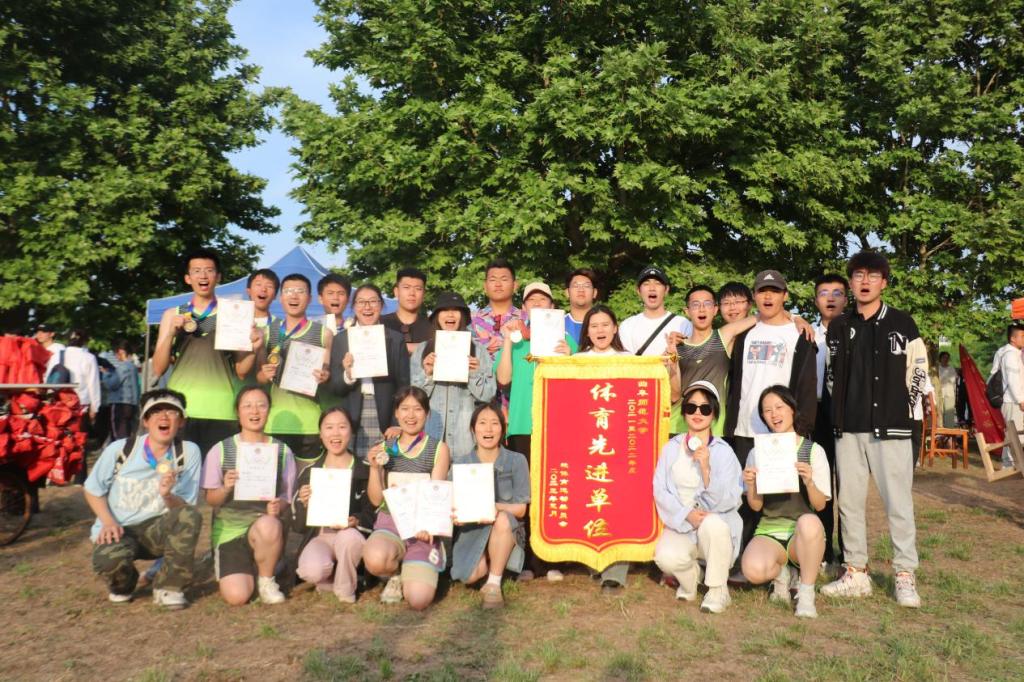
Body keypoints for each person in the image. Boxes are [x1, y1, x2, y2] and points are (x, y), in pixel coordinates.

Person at [822, 251, 926, 608]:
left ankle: (905, 574)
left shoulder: (902, 323)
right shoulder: (839, 326)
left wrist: (905, 415)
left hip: (892, 429)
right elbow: (832, 376)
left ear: (884, 282)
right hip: (848, 429)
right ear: (851, 282)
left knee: (898, 503)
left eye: (872, 275)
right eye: (858, 275)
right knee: (850, 503)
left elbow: (918, 372)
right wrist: (842, 413)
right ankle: (856, 571)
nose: (865, 282)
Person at [85, 389, 202, 609]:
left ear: (181, 422)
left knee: (189, 516)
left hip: (156, 530)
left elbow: (186, 507)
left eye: (172, 412)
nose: (164, 416)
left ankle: (169, 587)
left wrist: (167, 495)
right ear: (145, 421)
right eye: (156, 411)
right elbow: (93, 490)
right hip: (119, 528)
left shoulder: (188, 452)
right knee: (110, 564)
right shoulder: (121, 449)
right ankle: (125, 583)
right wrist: (108, 522)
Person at [494, 282, 576, 582]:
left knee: (553, 491)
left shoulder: (566, 339)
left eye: (543, 299)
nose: (538, 304)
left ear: (552, 306)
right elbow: (503, 380)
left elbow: (578, 382)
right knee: (524, 493)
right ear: (524, 308)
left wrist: (569, 356)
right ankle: (526, 562)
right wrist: (506, 341)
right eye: (531, 300)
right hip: (521, 426)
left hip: (556, 425)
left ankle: (553, 559)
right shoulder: (515, 340)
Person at [152, 249, 253, 456]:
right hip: (181, 410)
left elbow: (242, 371)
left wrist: (254, 346)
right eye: (197, 271)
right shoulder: (172, 315)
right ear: (188, 278)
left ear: (218, 277)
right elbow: (158, 368)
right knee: (178, 473)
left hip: (222, 410)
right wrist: (170, 333)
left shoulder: (233, 314)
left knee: (218, 475)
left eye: (209, 270)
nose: (203, 276)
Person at [741, 386, 830, 618]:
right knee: (752, 570)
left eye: (779, 407)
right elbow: (756, 506)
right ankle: (782, 575)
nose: (774, 414)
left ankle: (806, 593)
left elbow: (820, 505)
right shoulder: (757, 453)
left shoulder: (813, 451)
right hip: (770, 530)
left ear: (792, 409)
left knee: (809, 522)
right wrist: (751, 485)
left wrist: (809, 482)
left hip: (803, 533)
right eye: (767, 410)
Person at [203, 386, 297, 606]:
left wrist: (279, 507)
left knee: (269, 524)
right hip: (229, 532)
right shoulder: (221, 449)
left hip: (263, 528)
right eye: (247, 406)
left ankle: (266, 580)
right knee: (238, 597)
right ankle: (253, 564)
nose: (255, 411)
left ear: (269, 410)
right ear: (238, 411)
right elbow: (211, 500)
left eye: (261, 405)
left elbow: (287, 496)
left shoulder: (282, 451)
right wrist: (225, 488)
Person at [654, 381, 742, 613]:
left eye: (705, 408)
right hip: (682, 523)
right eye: (691, 407)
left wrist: (705, 468)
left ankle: (718, 590)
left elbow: (730, 499)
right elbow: (660, 489)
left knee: (713, 524)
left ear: (714, 414)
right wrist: (686, 514)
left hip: (715, 527)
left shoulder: (724, 452)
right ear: (683, 412)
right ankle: (691, 579)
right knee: (665, 557)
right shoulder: (671, 448)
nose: (697, 413)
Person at [362, 387, 451, 610]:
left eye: (417, 409)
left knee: (418, 599)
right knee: (375, 558)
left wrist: (428, 526)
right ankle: (394, 574)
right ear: (396, 413)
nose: (411, 415)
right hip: (391, 523)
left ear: (427, 414)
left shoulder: (438, 449)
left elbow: (436, 496)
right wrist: (374, 469)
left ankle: (421, 565)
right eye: (405, 409)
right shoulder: (385, 449)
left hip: (422, 528)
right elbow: (376, 501)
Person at [725, 270, 817, 465]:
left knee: (782, 485)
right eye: (762, 291)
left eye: (774, 291)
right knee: (746, 484)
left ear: (785, 295)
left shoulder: (800, 335)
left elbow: (807, 387)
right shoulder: (744, 333)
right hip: (744, 430)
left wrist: (800, 430)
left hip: (782, 431)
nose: (768, 296)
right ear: (754, 296)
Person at [451, 404, 530, 608]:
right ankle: (488, 560)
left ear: (502, 430)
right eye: (482, 423)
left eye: (495, 423)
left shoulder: (517, 461)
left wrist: (495, 507)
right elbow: (452, 506)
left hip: (507, 529)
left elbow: (521, 509)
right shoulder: (460, 464)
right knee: (469, 577)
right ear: (473, 429)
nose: (488, 429)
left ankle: (494, 583)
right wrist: (456, 516)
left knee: (503, 519)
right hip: (472, 531)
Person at [293, 407, 375, 603]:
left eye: (342, 427)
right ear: (321, 434)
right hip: (322, 536)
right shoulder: (310, 472)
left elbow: (373, 511)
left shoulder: (365, 470)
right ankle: (329, 578)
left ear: (351, 431)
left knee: (349, 539)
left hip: (350, 535)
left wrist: (356, 521)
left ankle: (345, 589)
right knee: (311, 570)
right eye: (329, 427)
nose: (335, 434)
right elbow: (297, 526)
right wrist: (303, 503)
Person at [257, 273, 332, 463]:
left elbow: (328, 376)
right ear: (280, 297)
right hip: (276, 421)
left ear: (310, 298)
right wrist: (264, 374)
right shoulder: (267, 333)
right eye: (288, 291)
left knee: (306, 479)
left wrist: (325, 377)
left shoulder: (324, 334)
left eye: (300, 291)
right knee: (275, 480)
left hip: (310, 423)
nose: (294, 296)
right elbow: (259, 378)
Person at [328, 283, 410, 455]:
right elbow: (334, 388)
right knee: (353, 466)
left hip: (385, 413)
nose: (367, 307)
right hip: (350, 414)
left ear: (381, 305)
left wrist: (397, 422)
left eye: (373, 301)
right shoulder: (341, 339)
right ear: (353, 306)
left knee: (383, 463)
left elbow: (403, 385)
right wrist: (347, 374)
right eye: (361, 302)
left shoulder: (395, 339)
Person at [411, 291, 495, 458]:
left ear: (463, 316)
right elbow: (413, 399)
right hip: (429, 439)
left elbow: (488, 395)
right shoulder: (422, 350)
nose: (450, 314)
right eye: (444, 310)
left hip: (466, 442)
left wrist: (474, 374)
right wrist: (427, 374)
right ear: (436, 316)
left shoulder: (478, 351)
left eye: (456, 310)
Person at [812, 274, 848, 565]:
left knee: (848, 487)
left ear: (846, 299)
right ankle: (822, 551)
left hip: (848, 414)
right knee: (821, 485)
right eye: (824, 293)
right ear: (816, 300)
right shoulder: (806, 335)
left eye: (837, 293)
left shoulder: (856, 333)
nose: (831, 298)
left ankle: (850, 553)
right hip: (816, 414)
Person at [65, 330, 102, 483]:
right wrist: (95, 407)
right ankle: (79, 478)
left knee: (62, 440)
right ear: (84, 342)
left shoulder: (59, 355)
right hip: (81, 405)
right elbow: (93, 383)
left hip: (60, 404)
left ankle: (59, 475)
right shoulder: (88, 357)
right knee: (80, 442)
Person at [990, 322, 1024, 468]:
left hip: (1011, 400)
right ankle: (1011, 465)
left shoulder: (1007, 352)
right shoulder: (1010, 355)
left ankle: (1008, 464)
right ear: (1012, 338)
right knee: (1015, 435)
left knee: (1012, 434)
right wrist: (1021, 400)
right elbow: (1012, 379)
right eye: (1022, 336)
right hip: (1012, 400)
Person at [382, 267, 432, 354]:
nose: (412, 293)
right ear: (396, 292)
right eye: (406, 287)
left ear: (424, 294)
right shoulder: (380, 324)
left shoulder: (433, 327)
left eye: (418, 289)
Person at [102, 338, 141, 441]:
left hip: (120, 404)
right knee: (128, 434)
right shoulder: (133, 367)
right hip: (132, 405)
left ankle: (120, 450)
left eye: (116, 354)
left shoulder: (123, 367)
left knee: (118, 435)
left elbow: (112, 384)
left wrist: (105, 374)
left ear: (121, 352)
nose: (115, 356)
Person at [563, 268, 600, 345]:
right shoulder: (558, 324)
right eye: (576, 286)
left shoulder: (604, 325)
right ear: (567, 292)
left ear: (595, 293)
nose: (581, 290)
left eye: (586, 286)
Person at [936, 352, 958, 428]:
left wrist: (944, 379)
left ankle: (949, 429)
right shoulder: (937, 368)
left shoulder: (951, 368)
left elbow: (953, 380)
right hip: (939, 393)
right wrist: (945, 379)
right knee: (939, 411)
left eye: (947, 358)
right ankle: (939, 428)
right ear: (940, 358)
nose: (946, 359)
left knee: (949, 412)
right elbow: (936, 380)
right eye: (944, 357)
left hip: (949, 392)